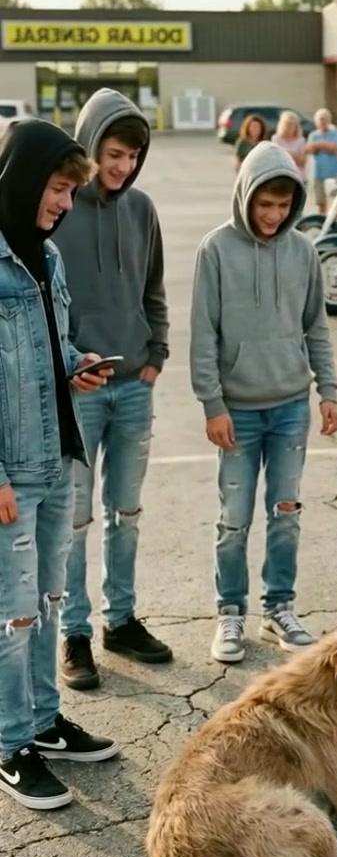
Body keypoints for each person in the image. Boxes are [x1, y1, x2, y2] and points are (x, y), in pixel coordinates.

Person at [0, 119, 119, 811]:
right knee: (11, 616)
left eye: (72, 192)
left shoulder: (47, 258)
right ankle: (10, 742)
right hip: (12, 471)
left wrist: (79, 367)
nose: (65, 204)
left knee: (46, 605)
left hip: (56, 457)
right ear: (22, 180)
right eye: (57, 188)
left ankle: (44, 724)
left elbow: (53, 346)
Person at [190, 142, 337, 663]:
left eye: (283, 205)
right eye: (264, 204)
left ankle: (279, 607)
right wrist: (212, 403)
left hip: (291, 409)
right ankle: (229, 613)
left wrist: (330, 392)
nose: (274, 216)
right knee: (233, 519)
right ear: (246, 197)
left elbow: (316, 326)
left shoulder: (303, 250)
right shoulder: (215, 249)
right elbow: (203, 335)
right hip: (237, 411)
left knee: (286, 512)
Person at [53, 89, 172, 690]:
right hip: (77, 393)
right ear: (91, 145)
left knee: (125, 513)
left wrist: (157, 355)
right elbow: (44, 303)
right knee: (74, 520)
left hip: (134, 390)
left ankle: (119, 621)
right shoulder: (60, 209)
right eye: (116, 153)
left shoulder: (143, 208)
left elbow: (154, 289)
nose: (124, 167)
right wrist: (67, 364)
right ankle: (73, 633)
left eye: (134, 157)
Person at [304, 108, 337, 215]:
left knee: (336, 200)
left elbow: (335, 148)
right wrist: (325, 145)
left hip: (334, 172)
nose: (323, 122)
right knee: (321, 202)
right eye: (320, 119)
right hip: (318, 172)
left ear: (329, 120)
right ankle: (323, 220)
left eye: (325, 119)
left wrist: (318, 145)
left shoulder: (336, 133)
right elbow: (308, 150)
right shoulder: (313, 135)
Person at [272, 110, 307, 178]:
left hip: (298, 176)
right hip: (281, 175)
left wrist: (285, 154)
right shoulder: (276, 139)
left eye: (292, 124)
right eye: (287, 123)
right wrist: (295, 155)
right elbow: (277, 158)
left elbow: (302, 161)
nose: (289, 126)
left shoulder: (301, 140)